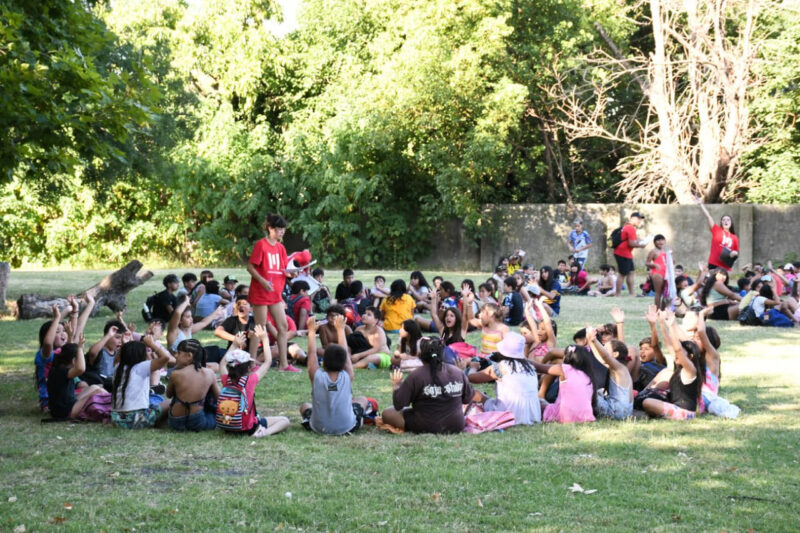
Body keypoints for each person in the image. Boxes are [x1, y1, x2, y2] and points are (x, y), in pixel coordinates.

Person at [381, 337, 474, 434]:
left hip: (425, 425)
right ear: (443, 353)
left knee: (387, 413)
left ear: (420, 355)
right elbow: (467, 399)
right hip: (456, 425)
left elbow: (399, 405)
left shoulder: (416, 375)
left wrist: (396, 386)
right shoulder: (457, 372)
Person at [301, 316, 371, 434]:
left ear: (324, 362)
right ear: (344, 361)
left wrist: (312, 332)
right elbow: (345, 353)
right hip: (348, 428)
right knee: (362, 400)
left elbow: (312, 354)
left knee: (305, 406)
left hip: (318, 428)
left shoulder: (316, 376)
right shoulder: (348, 375)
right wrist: (340, 330)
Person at [246, 213, 298, 371]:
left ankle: (284, 364)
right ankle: (251, 363)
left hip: (275, 294)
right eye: (279, 229)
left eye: (283, 229)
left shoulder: (281, 248)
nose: (282, 232)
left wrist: (292, 274)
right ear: (270, 228)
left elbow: (282, 270)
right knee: (260, 327)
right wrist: (262, 281)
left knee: (282, 327)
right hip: (260, 293)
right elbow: (250, 267)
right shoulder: (261, 245)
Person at [641, 311, 706, 420]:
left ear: (690, 356)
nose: (676, 355)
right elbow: (668, 343)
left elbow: (678, 349)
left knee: (648, 402)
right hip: (676, 407)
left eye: (680, 354)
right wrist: (661, 323)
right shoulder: (680, 365)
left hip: (685, 413)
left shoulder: (690, 369)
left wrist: (672, 326)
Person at [468, 332, 541, 425]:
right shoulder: (530, 366)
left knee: (476, 394)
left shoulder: (501, 367)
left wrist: (473, 367)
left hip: (506, 415)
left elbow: (471, 378)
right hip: (533, 416)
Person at [219, 345, 290, 437]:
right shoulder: (249, 381)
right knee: (285, 421)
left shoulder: (226, 380)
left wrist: (234, 344)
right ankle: (262, 433)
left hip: (226, 425)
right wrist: (264, 338)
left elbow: (222, 364)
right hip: (246, 427)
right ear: (248, 369)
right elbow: (267, 362)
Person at [111, 336, 171, 429]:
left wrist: (125, 345)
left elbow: (118, 358)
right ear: (140, 355)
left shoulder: (118, 367)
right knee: (171, 402)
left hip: (116, 420)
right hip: (135, 419)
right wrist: (152, 344)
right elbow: (166, 357)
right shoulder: (141, 367)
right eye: (146, 351)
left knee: (153, 405)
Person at [531, 344, 596, 423]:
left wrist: (521, 359)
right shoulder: (588, 375)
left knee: (538, 402)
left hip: (564, 416)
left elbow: (539, 367)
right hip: (586, 417)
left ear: (565, 357)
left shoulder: (564, 369)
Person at [166, 338, 221, 431]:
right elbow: (219, 398)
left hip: (176, 421)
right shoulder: (209, 373)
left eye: (178, 353)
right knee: (213, 416)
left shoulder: (175, 374)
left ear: (189, 355)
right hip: (198, 421)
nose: (175, 356)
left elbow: (169, 394)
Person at [46, 339, 107, 420]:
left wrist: (73, 340)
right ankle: (116, 408)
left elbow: (68, 349)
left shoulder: (60, 368)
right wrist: (80, 348)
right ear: (74, 361)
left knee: (95, 387)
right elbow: (81, 369)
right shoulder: (61, 371)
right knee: (98, 391)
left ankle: (115, 405)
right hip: (65, 412)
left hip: (68, 404)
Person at [586, 327, 633, 420]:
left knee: (585, 388)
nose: (603, 350)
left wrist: (594, 340)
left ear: (615, 354)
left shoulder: (620, 368)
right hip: (623, 412)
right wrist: (590, 341)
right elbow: (600, 357)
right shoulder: (617, 367)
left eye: (606, 348)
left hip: (616, 411)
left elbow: (605, 356)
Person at [695, 197, 739, 271]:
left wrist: (734, 253)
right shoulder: (717, 230)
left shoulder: (734, 237)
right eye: (724, 220)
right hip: (713, 263)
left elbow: (736, 252)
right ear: (721, 222)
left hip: (725, 266)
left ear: (731, 223)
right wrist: (700, 204)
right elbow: (708, 216)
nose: (726, 221)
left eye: (728, 220)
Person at [613, 212, 648, 297]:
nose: (639, 221)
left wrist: (640, 241)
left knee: (631, 273)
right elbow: (631, 243)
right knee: (622, 274)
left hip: (626, 253)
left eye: (640, 219)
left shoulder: (627, 227)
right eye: (638, 218)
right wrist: (641, 245)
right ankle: (618, 294)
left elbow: (632, 240)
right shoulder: (630, 228)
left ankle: (632, 294)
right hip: (622, 253)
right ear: (632, 218)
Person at [644, 234, 668, 309]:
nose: (660, 242)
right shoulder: (653, 251)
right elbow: (647, 263)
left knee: (666, 292)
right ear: (654, 242)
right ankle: (657, 310)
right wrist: (654, 265)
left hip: (666, 272)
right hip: (657, 273)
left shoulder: (666, 251)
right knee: (658, 292)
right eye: (658, 240)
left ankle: (663, 310)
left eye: (662, 240)